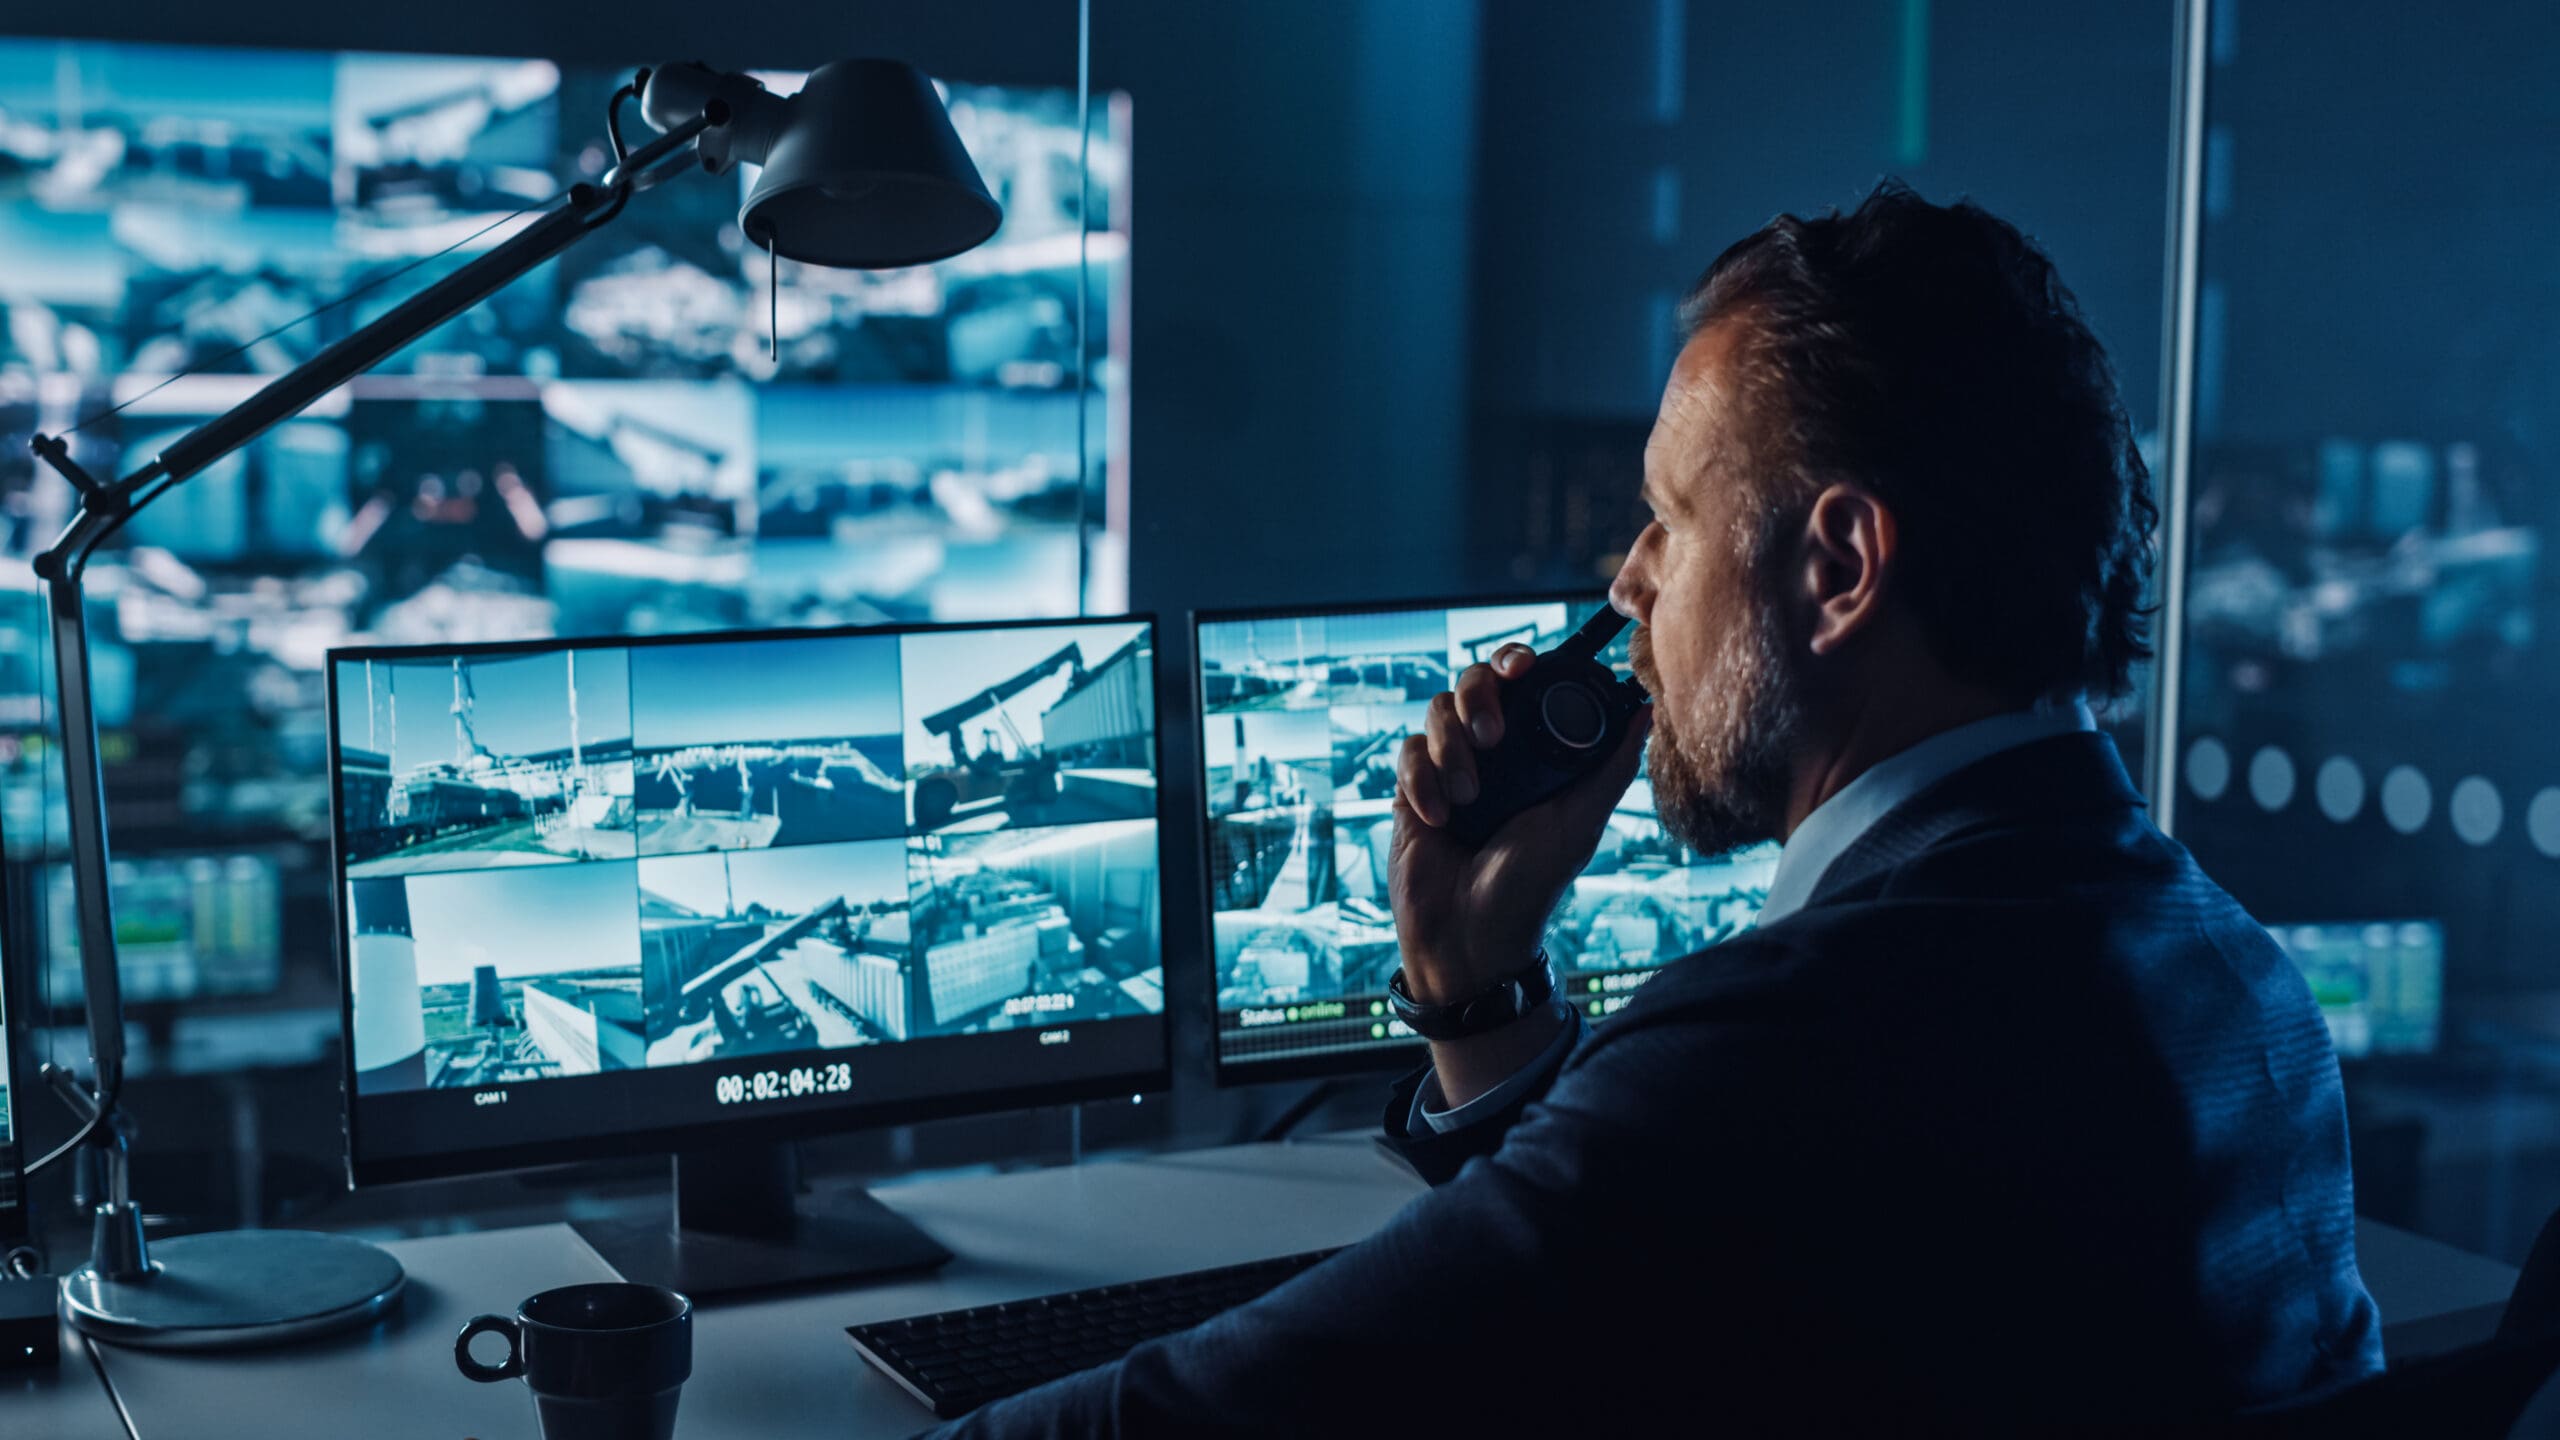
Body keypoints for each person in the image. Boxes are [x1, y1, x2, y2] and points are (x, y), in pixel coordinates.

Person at [946, 181, 2382, 1434]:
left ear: (1841, 568)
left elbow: (1242, 1409)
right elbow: (1599, 1278)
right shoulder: (2247, 995)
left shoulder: (1794, 1045)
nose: (1627, 584)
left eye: (1670, 521)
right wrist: (1475, 988)